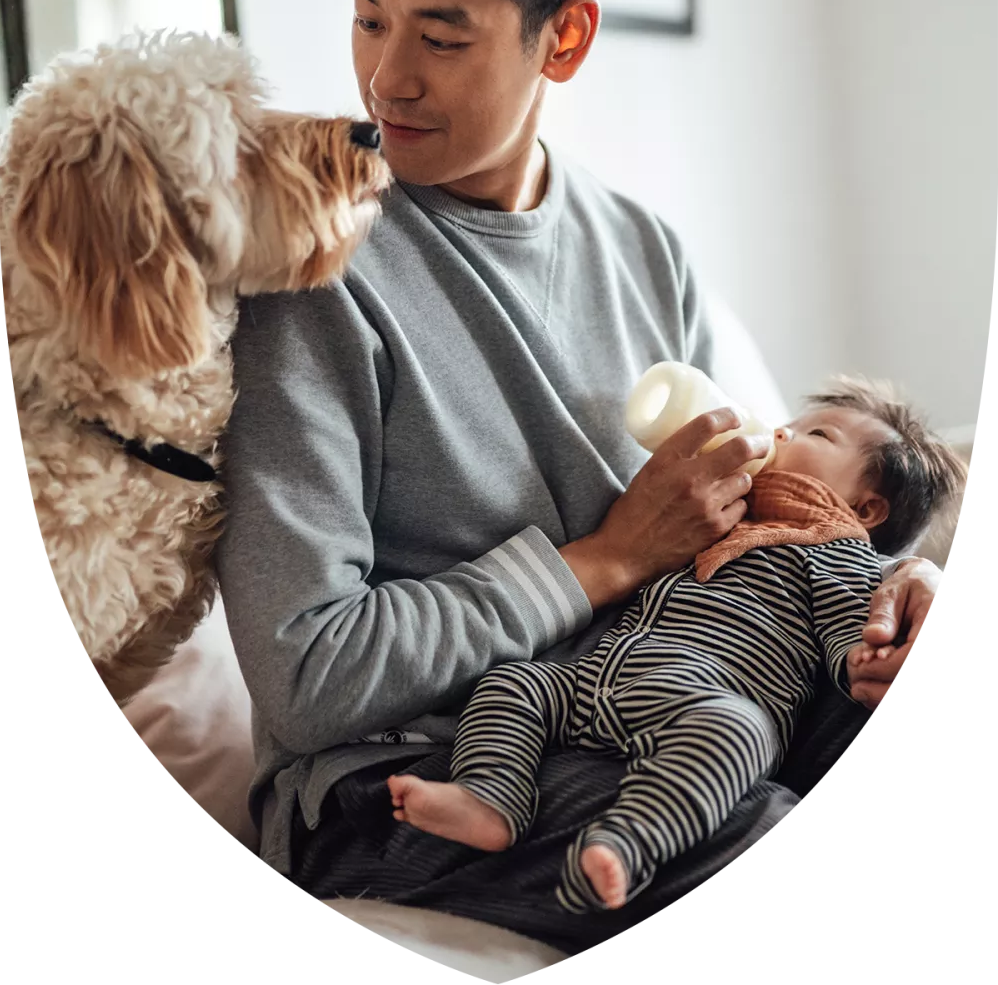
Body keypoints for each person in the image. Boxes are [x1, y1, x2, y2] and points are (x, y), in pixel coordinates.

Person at [215, 0, 946, 952]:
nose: (385, 79)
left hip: (649, 710)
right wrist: (602, 559)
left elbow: (778, 522)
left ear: (564, 35)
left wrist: (902, 589)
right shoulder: (314, 267)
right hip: (408, 777)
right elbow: (309, 674)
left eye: (440, 34)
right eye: (368, 17)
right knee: (752, 825)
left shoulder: (647, 254)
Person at [385, 378, 967, 912]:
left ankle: (625, 845)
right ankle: (491, 795)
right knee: (512, 683)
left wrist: (865, 654)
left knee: (737, 735)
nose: (782, 431)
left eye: (817, 434)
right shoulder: (717, 515)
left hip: (699, 700)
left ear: (866, 508)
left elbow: (855, 634)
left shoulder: (831, 551)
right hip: (592, 680)